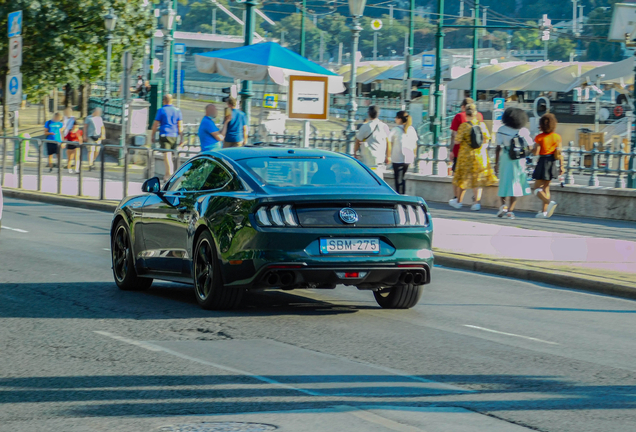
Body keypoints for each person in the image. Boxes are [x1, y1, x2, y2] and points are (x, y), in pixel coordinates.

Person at [449, 104, 497, 211]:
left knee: (463, 179)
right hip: (480, 156)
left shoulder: (464, 126)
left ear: (466, 114)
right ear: (476, 113)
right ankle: (476, 203)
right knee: (477, 180)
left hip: (466, 156)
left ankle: (458, 201)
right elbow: (487, 138)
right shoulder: (482, 125)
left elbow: (457, 141)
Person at [494, 108, 532, 220]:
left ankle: (503, 206)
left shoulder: (501, 129)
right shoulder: (523, 130)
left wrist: (496, 163)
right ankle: (510, 211)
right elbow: (530, 146)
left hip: (506, 157)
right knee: (516, 184)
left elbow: (497, 148)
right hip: (519, 160)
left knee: (504, 182)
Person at [449, 98, 484, 198]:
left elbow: (454, 135)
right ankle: (476, 200)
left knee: (458, 176)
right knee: (475, 177)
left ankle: (456, 198)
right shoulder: (479, 116)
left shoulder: (459, 116)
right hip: (477, 152)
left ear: (463, 107)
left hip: (460, 151)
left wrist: (451, 150)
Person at [532, 113, 563, 219]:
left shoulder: (539, 138)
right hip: (552, 162)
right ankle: (545, 212)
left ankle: (549, 202)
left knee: (536, 188)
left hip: (543, 162)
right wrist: (562, 167)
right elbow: (560, 153)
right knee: (546, 187)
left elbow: (536, 152)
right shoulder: (557, 137)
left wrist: (530, 149)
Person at [151, 94, 183, 180]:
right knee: (172, 156)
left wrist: (152, 135)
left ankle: (170, 175)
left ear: (164, 101)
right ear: (172, 100)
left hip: (165, 134)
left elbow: (155, 124)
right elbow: (180, 125)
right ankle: (167, 174)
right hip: (174, 135)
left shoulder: (161, 110)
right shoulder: (177, 110)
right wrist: (181, 138)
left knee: (167, 156)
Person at [389, 111, 418, 194]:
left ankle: (399, 195)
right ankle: (403, 194)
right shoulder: (411, 129)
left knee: (398, 178)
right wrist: (414, 154)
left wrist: (388, 155)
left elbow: (389, 142)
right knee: (403, 177)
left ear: (399, 119)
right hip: (408, 157)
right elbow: (415, 144)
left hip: (397, 157)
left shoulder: (395, 129)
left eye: (396, 118)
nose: (395, 119)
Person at [354, 106, 391, 171]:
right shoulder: (385, 126)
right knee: (378, 177)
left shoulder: (365, 126)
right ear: (378, 114)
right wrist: (388, 156)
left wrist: (355, 152)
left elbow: (357, 141)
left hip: (368, 160)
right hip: (380, 159)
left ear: (368, 114)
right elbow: (388, 142)